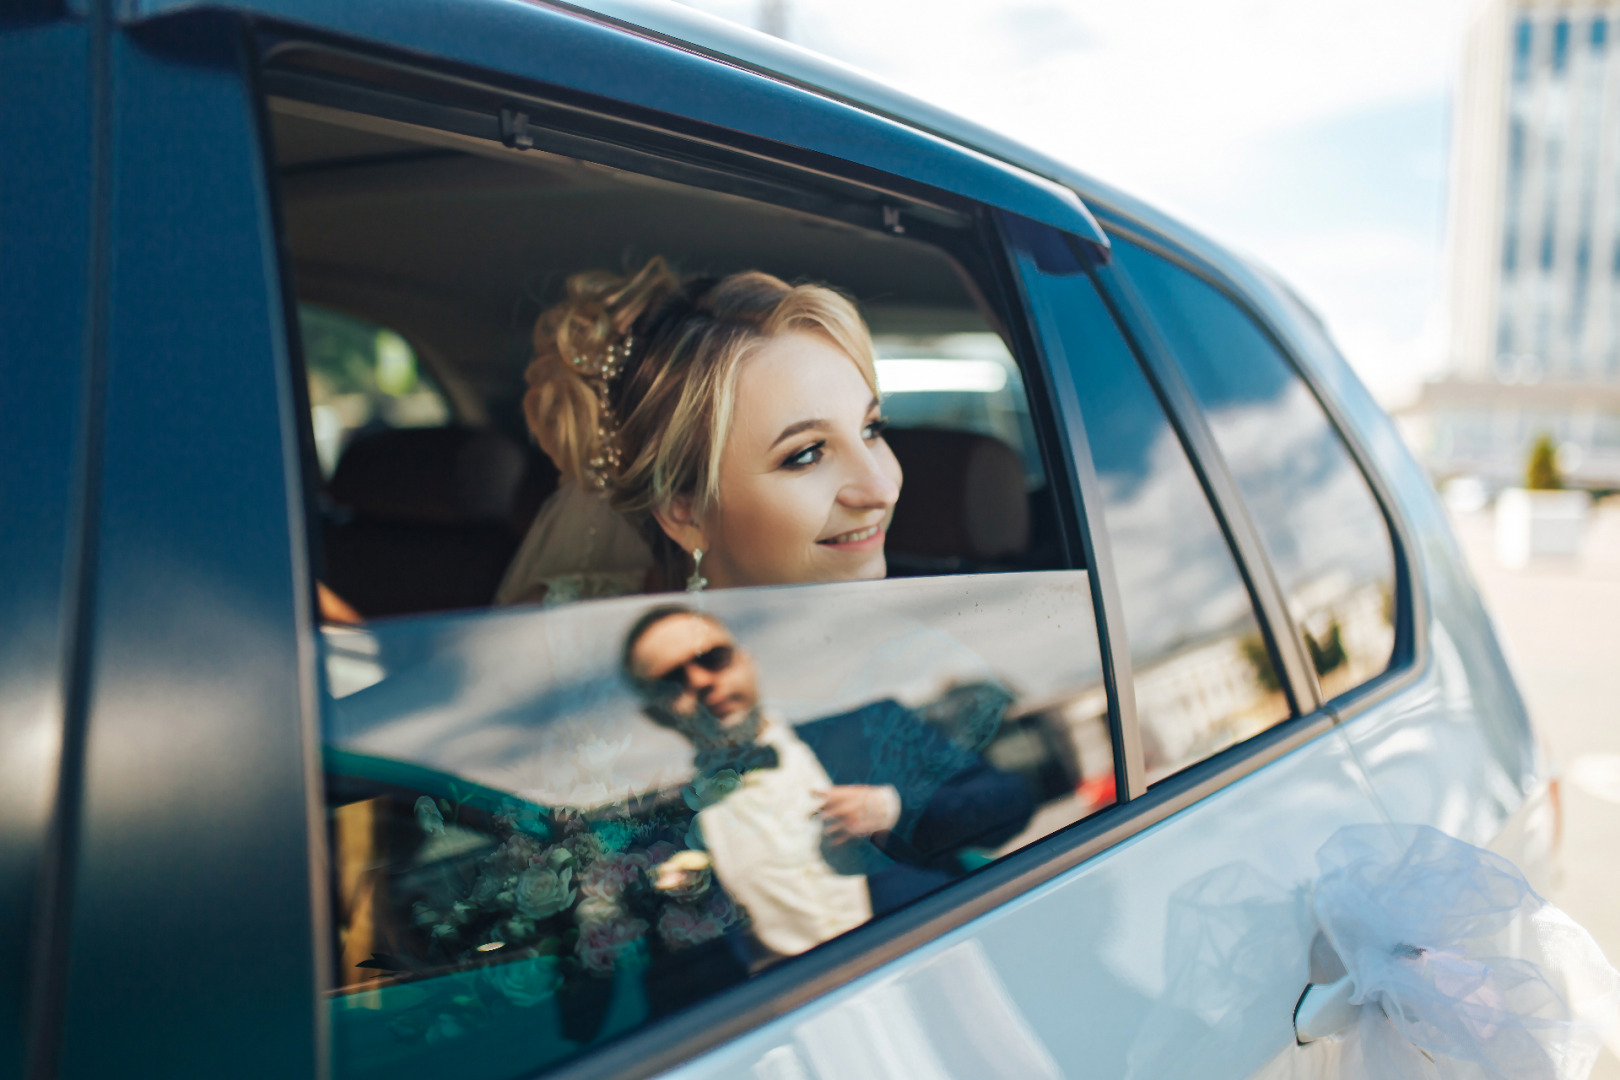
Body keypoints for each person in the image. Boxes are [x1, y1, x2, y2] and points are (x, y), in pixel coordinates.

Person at [621, 604, 1033, 963]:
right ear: (656, 714)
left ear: (746, 661)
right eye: (672, 680)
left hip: (946, 960)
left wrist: (893, 809)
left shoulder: (875, 728)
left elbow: (1012, 802)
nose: (699, 681)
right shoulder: (668, 838)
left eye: (712, 658)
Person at [497, 257, 902, 605]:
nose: (882, 489)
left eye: (871, 429)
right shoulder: (551, 646)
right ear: (685, 511)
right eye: (806, 454)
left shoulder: (932, 649)